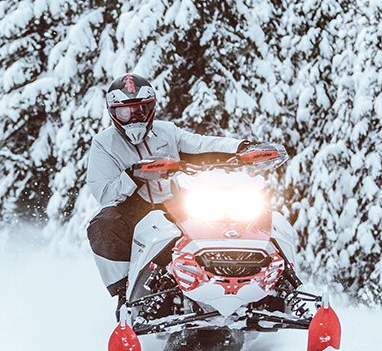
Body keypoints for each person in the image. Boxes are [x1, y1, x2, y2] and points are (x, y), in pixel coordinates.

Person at [85, 73, 299, 310]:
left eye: (140, 110)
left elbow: (202, 145)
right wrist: (133, 176)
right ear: (113, 113)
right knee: (103, 225)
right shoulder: (104, 144)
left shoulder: (167, 132)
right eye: (125, 112)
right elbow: (105, 193)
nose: (133, 118)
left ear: (151, 108)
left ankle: (285, 286)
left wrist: (241, 148)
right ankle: (125, 294)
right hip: (135, 206)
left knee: (257, 216)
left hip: (175, 202)